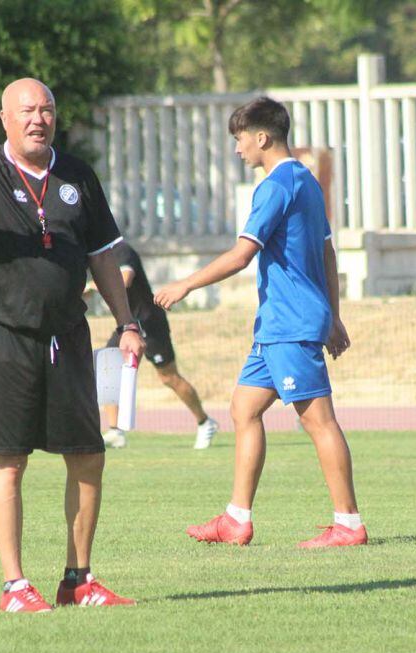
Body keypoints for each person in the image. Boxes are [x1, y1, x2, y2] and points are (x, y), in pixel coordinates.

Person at [0, 78, 146, 610]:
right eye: (27, 111)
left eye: (47, 109)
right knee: (10, 460)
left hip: (68, 334)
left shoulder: (77, 175)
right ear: (4, 119)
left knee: (88, 456)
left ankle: (78, 579)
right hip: (4, 334)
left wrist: (127, 322)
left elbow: (103, 254)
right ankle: (15, 586)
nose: (39, 118)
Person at [154, 96, 367, 549]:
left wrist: (186, 285)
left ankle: (348, 524)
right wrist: (332, 313)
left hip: (289, 323)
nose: (237, 150)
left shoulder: (274, 186)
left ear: (262, 137)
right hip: (279, 325)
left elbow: (242, 254)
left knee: (319, 422)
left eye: (240, 140)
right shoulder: (307, 181)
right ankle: (236, 519)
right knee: (244, 409)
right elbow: (327, 251)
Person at [85, 241, 219, 450]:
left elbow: (125, 280)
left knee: (169, 377)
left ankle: (205, 422)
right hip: (127, 324)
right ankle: (115, 431)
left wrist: (91, 286)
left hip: (148, 322)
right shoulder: (94, 254)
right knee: (107, 368)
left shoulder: (122, 250)